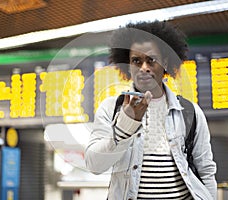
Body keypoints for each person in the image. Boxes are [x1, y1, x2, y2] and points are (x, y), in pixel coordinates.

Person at [85, 20, 217, 200]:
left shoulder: (189, 112)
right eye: (136, 61)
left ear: (164, 62)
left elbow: (206, 169)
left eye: (151, 60)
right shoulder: (111, 109)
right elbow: (94, 165)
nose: (144, 68)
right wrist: (125, 127)